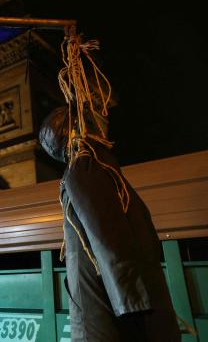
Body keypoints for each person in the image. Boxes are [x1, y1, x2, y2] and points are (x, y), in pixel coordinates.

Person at [39, 106, 180, 342]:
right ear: (74, 129)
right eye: (88, 118)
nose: (100, 122)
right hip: (111, 322)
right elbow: (109, 240)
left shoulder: (91, 167)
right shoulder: (85, 168)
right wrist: (138, 309)